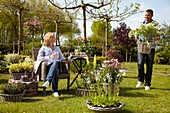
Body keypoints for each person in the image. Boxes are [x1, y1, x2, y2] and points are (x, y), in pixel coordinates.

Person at [135, 9, 160, 90]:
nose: (146, 17)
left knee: (149, 66)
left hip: (150, 47)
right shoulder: (141, 24)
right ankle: (140, 80)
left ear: (152, 15)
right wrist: (137, 39)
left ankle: (147, 84)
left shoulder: (155, 25)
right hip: (141, 46)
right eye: (145, 15)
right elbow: (136, 35)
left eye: (148, 15)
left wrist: (151, 40)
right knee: (140, 63)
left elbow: (158, 36)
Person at [37, 32, 65, 97]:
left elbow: (62, 58)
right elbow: (39, 58)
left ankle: (48, 81)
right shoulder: (43, 48)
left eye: (54, 37)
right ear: (48, 39)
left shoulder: (57, 48)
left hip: (58, 66)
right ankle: (55, 91)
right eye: (53, 37)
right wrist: (50, 57)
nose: (55, 38)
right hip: (47, 67)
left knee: (56, 63)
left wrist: (66, 59)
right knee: (56, 70)